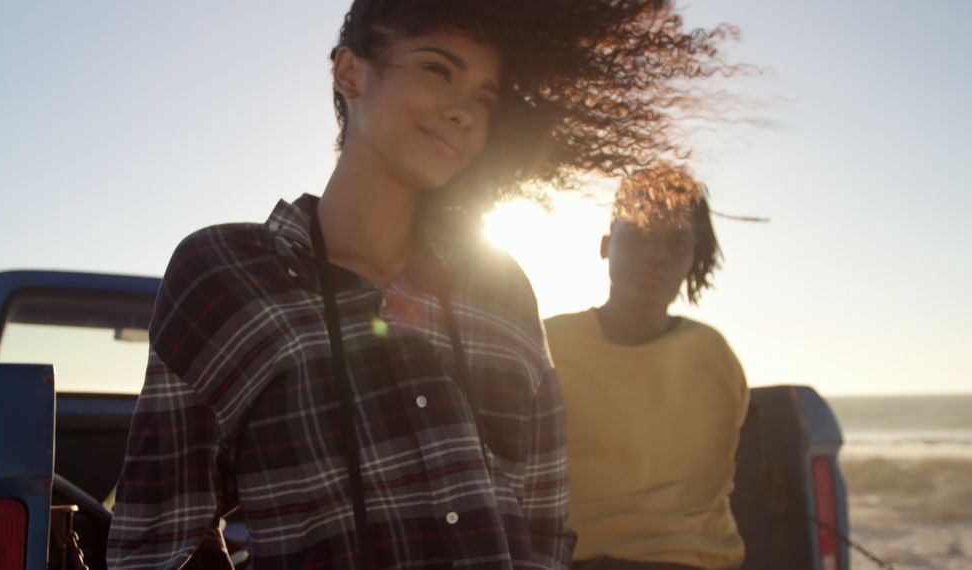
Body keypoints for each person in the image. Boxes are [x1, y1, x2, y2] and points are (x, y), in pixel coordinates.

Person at [107, 2, 740, 568]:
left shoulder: (502, 289)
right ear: (351, 72)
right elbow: (159, 541)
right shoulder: (229, 273)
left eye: (486, 97)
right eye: (438, 69)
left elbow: (543, 524)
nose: (464, 109)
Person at [545, 165, 749, 570]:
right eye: (638, 235)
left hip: (697, 561)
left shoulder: (713, 355)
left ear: (693, 257)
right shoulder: (547, 345)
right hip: (575, 559)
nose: (657, 256)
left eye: (676, 242)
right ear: (605, 245)